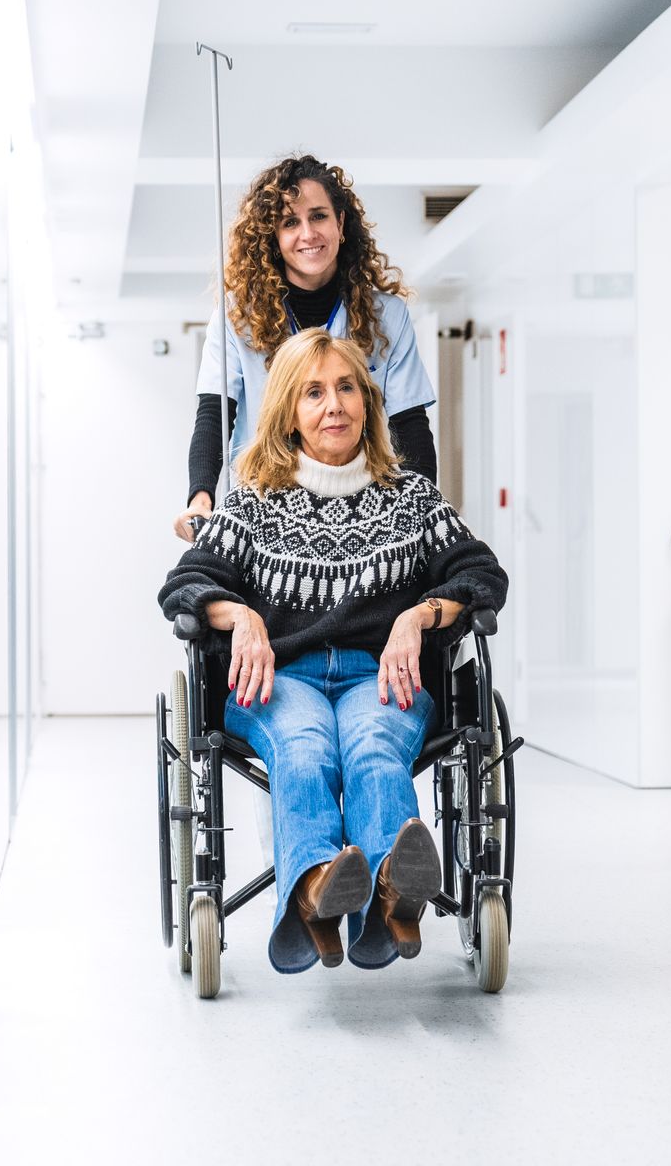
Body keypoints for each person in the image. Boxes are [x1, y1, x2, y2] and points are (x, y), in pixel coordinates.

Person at [159, 329, 508, 973]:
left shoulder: (411, 500)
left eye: (346, 387)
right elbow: (183, 585)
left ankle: (391, 896)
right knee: (304, 745)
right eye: (314, 392)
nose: (334, 405)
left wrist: (419, 614)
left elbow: (482, 574)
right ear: (289, 410)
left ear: (368, 402)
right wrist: (239, 616)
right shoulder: (255, 504)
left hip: (378, 677)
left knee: (375, 745)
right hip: (280, 681)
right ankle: (318, 889)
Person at [173, 154, 439, 542]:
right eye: (289, 222)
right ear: (273, 238)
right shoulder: (236, 316)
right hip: (265, 504)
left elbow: (409, 423)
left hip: (358, 506)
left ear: (341, 223)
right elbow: (215, 412)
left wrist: (424, 511)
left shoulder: (387, 317)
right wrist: (201, 499)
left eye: (318, 216)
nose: (308, 234)